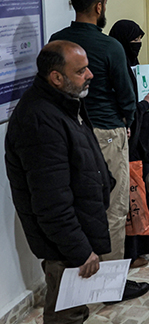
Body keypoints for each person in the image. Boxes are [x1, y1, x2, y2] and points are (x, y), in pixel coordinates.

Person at [5, 42, 126, 323]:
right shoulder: (39, 120)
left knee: (77, 309)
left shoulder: (64, 102)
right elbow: (51, 201)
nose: (91, 75)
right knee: (66, 314)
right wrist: (80, 251)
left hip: (78, 231)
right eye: (81, 70)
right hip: (64, 245)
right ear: (56, 77)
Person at [49, 0, 149, 301]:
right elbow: (126, 94)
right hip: (106, 133)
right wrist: (128, 121)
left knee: (77, 206)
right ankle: (109, 285)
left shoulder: (56, 41)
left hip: (66, 133)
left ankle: (80, 282)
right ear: (100, 6)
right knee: (113, 208)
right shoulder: (110, 46)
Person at [109, 20, 149, 269]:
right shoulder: (116, 69)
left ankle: (148, 244)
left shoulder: (134, 66)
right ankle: (132, 252)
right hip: (132, 146)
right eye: (133, 41)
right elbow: (128, 109)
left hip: (146, 141)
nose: (138, 45)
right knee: (135, 197)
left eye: (140, 40)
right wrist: (145, 105)